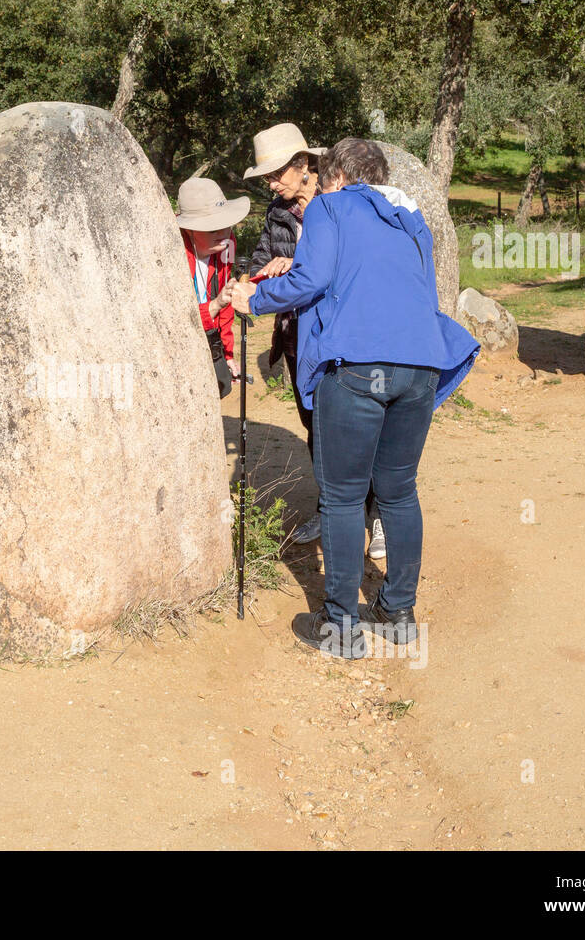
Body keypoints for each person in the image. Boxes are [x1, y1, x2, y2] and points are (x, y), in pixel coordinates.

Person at [222, 138, 479, 659]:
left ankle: (340, 626)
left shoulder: (329, 207)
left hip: (358, 366)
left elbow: (315, 279)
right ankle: (398, 611)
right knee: (399, 491)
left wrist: (256, 297)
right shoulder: (411, 216)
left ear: (335, 176)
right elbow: (417, 291)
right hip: (421, 366)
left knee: (341, 496)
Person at [245, 123, 386, 559]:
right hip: (296, 334)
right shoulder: (277, 213)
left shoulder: (341, 203)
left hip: (343, 333)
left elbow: (351, 263)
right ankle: (331, 511)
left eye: (276, 173)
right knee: (315, 425)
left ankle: (377, 516)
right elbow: (261, 259)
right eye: (266, 176)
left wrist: (300, 267)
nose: (270, 183)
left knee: (364, 426)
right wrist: (259, 275)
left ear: (304, 165)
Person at [176, 177, 249, 397]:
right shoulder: (170, 252)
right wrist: (213, 306)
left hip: (212, 338)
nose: (223, 234)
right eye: (212, 229)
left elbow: (225, 304)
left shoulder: (228, 244)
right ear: (188, 230)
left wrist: (227, 353)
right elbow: (175, 318)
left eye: (225, 225)